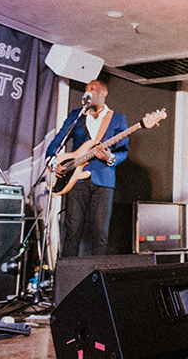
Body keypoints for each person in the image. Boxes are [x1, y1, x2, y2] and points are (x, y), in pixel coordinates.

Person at [46, 80, 128, 257]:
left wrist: (110, 157)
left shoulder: (117, 118)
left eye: (92, 88)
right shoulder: (76, 115)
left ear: (103, 93)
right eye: (86, 89)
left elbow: (123, 151)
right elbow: (58, 141)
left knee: (100, 233)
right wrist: (54, 163)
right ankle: (67, 279)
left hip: (103, 180)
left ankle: (97, 277)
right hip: (76, 178)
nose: (88, 91)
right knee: (72, 230)